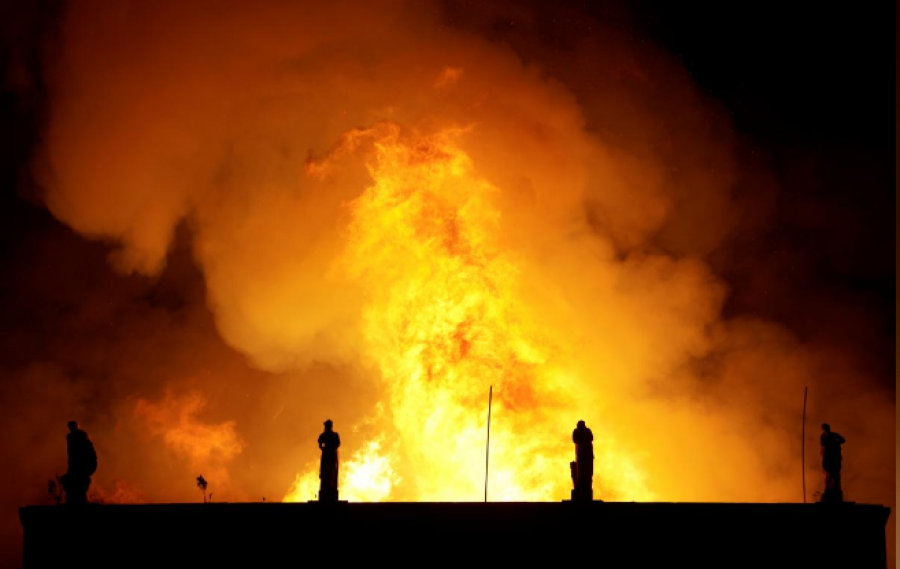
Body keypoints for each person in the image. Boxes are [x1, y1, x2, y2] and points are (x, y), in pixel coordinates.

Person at [61, 421, 97, 505]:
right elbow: (71, 453)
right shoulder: (70, 437)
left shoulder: (82, 436)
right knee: (72, 482)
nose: (71, 428)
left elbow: (88, 451)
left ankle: (81, 501)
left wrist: (86, 464)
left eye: (73, 426)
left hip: (83, 463)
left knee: (80, 484)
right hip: (76, 464)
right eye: (70, 426)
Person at [318, 419, 341, 501]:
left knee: (333, 471)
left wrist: (331, 448)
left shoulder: (335, 435)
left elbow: (338, 443)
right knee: (325, 471)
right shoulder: (323, 435)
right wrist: (324, 449)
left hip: (332, 455)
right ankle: (326, 487)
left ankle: (332, 486)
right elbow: (320, 444)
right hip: (327, 455)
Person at [820, 423, 846, 498]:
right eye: (825, 428)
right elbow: (823, 444)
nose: (826, 429)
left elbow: (843, 440)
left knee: (836, 473)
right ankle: (828, 488)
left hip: (834, 456)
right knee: (827, 471)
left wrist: (835, 442)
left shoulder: (834, 434)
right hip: (827, 455)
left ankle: (836, 488)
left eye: (827, 427)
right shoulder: (823, 436)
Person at [572, 420, 594, 500]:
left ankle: (586, 484)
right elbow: (575, 440)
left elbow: (591, 438)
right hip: (580, 454)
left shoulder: (587, 431)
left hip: (587, 454)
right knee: (580, 470)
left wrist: (584, 441)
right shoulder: (576, 431)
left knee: (587, 471)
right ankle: (580, 483)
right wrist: (582, 441)